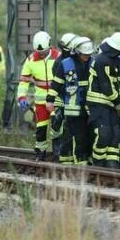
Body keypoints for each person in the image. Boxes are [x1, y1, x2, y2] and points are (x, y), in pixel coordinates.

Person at [86, 31, 120, 168]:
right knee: (104, 133)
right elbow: (106, 85)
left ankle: (112, 162)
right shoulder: (100, 61)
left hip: (114, 105)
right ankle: (98, 163)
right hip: (98, 104)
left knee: (116, 134)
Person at [47, 36, 94, 164]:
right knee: (76, 136)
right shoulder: (65, 64)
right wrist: (50, 100)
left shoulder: (93, 62)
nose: (86, 57)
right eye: (84, 55)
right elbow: (56, 83)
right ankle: (76, 162)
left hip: (89, 108)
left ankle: (79, 160)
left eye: (88, 54)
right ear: (76, 52)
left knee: (87, 135)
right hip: (73, 108)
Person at [17, 30, 60, 161]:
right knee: (41, 128)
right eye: (38, 52)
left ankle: (58, 154)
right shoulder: (31, 60)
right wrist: (21, 97)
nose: (41, 54)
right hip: (41, 102)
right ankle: (40, 153)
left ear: (49, 46)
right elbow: (24, 81)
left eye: (43, 52)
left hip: (57, 101)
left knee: (57, 127)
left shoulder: (58, 57)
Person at [48, 32, 79, 158]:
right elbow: (58, 85)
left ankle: (69, 154)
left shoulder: (74, 61)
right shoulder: (60, 63)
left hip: (73, 101)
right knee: (57, 128)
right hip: (61, 100)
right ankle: (57, 153)